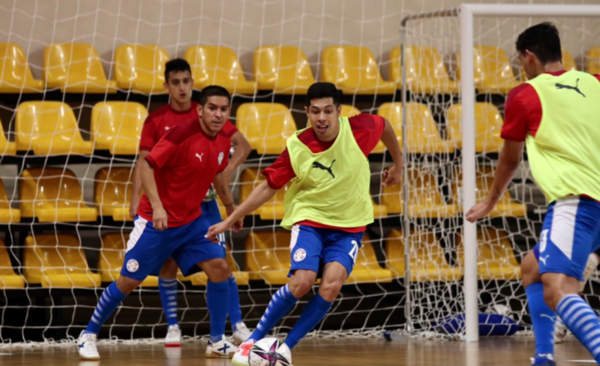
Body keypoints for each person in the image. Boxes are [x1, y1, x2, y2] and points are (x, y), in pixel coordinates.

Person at [206, 82, 403, 366]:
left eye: (327, 111)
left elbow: (385, 125)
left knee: (331, 286)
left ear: (338, 111)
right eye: (315, 112)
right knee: (302, 282)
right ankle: (251, 341)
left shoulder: (359, 129)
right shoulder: (298, 146)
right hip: (311, 221)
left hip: (350, 226)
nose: (321, 117)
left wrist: (398, 164)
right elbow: (267, 187)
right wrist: (230, 219)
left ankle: (285, 348)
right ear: (306, 112)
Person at [466, 22, 600, 366]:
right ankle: (543, 356)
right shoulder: (594, 82)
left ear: (528, 57)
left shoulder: (525, 94)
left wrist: (492, 199)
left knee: (558, 290)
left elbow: (511, 158)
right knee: (532, 267)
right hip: (593, 201)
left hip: (578, 201)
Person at [77, 85, 243, 360]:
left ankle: (216, 340)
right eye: (212, 108)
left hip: (192, 223)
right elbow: (146, 165)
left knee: (220, 268)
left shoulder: (224, 141)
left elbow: (217, 177)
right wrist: (157, 207)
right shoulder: (180, 134)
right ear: (200, 109)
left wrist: (231, 209)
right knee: (128, 281)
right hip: (157, 221)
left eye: (224, 109)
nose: (218, 114)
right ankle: (88, 334)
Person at [129, 59, 252, 347]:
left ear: (193, 84)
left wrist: (227, 168)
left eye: (187, 81)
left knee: (220, 262)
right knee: (168, 263)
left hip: (206, 206)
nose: (182, 87)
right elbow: (144, 161)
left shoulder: (213, 112)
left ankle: (236, 324)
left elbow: (243, 145)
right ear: (167, 86)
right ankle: (173, 326)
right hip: (170, 204)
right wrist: (136, 198)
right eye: (176, 82)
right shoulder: (156, 120)